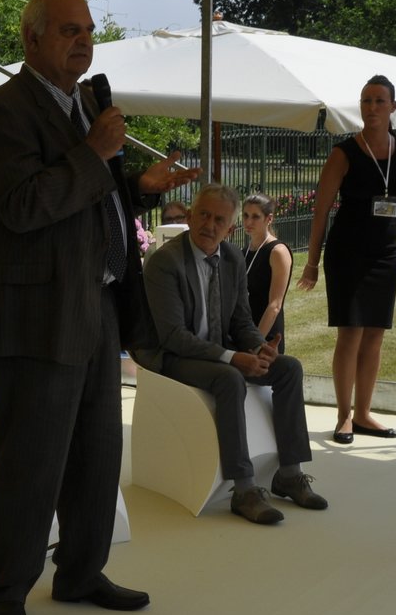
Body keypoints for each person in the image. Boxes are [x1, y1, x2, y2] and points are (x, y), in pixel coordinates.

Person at [0, 0, 198, 615]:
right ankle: (6, 588)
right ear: (31, 38)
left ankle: (81, 571)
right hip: (36, 313)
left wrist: (138, 188)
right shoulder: (2, 114)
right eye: (68, 30)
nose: (83, 41)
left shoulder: (82, 108)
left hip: (95, 305)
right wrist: (95, 154)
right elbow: (24, 206)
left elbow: (90, 199)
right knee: (30, 459)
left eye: (88, 30)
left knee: (98, 450)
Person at [134, 185, 325, 525]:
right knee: (229, 378)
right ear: (190, 216)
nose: (208, 224)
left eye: (218, 219)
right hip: (171, 354)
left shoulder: (233, 258)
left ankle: (289, 473)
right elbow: (174, 336)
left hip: (216, 347)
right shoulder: (164, 262)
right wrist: (233, 358)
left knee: (289, 368)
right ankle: (245, 488)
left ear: (230, 229)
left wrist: (257, 347)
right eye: (203, 215)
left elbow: (240, 319)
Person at [297, 75, 396, 444]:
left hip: (385, 254)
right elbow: (320, 212)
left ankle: (365, 413)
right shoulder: (344, 153)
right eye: (366, 100)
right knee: (350, 333)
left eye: (379, 101)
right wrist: (312, 263)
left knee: (374, 336)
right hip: (348, 253)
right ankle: (344, 417)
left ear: (393, 108)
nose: (371, 107)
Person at [241, 192, 291, 352]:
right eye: (245, 215)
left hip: (265, 337)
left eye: (255, 217)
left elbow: (275, 305)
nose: (248, 221)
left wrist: (255, 343)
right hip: (245, 334)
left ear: (269, 219)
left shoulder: (277, 251)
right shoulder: (244, 251)